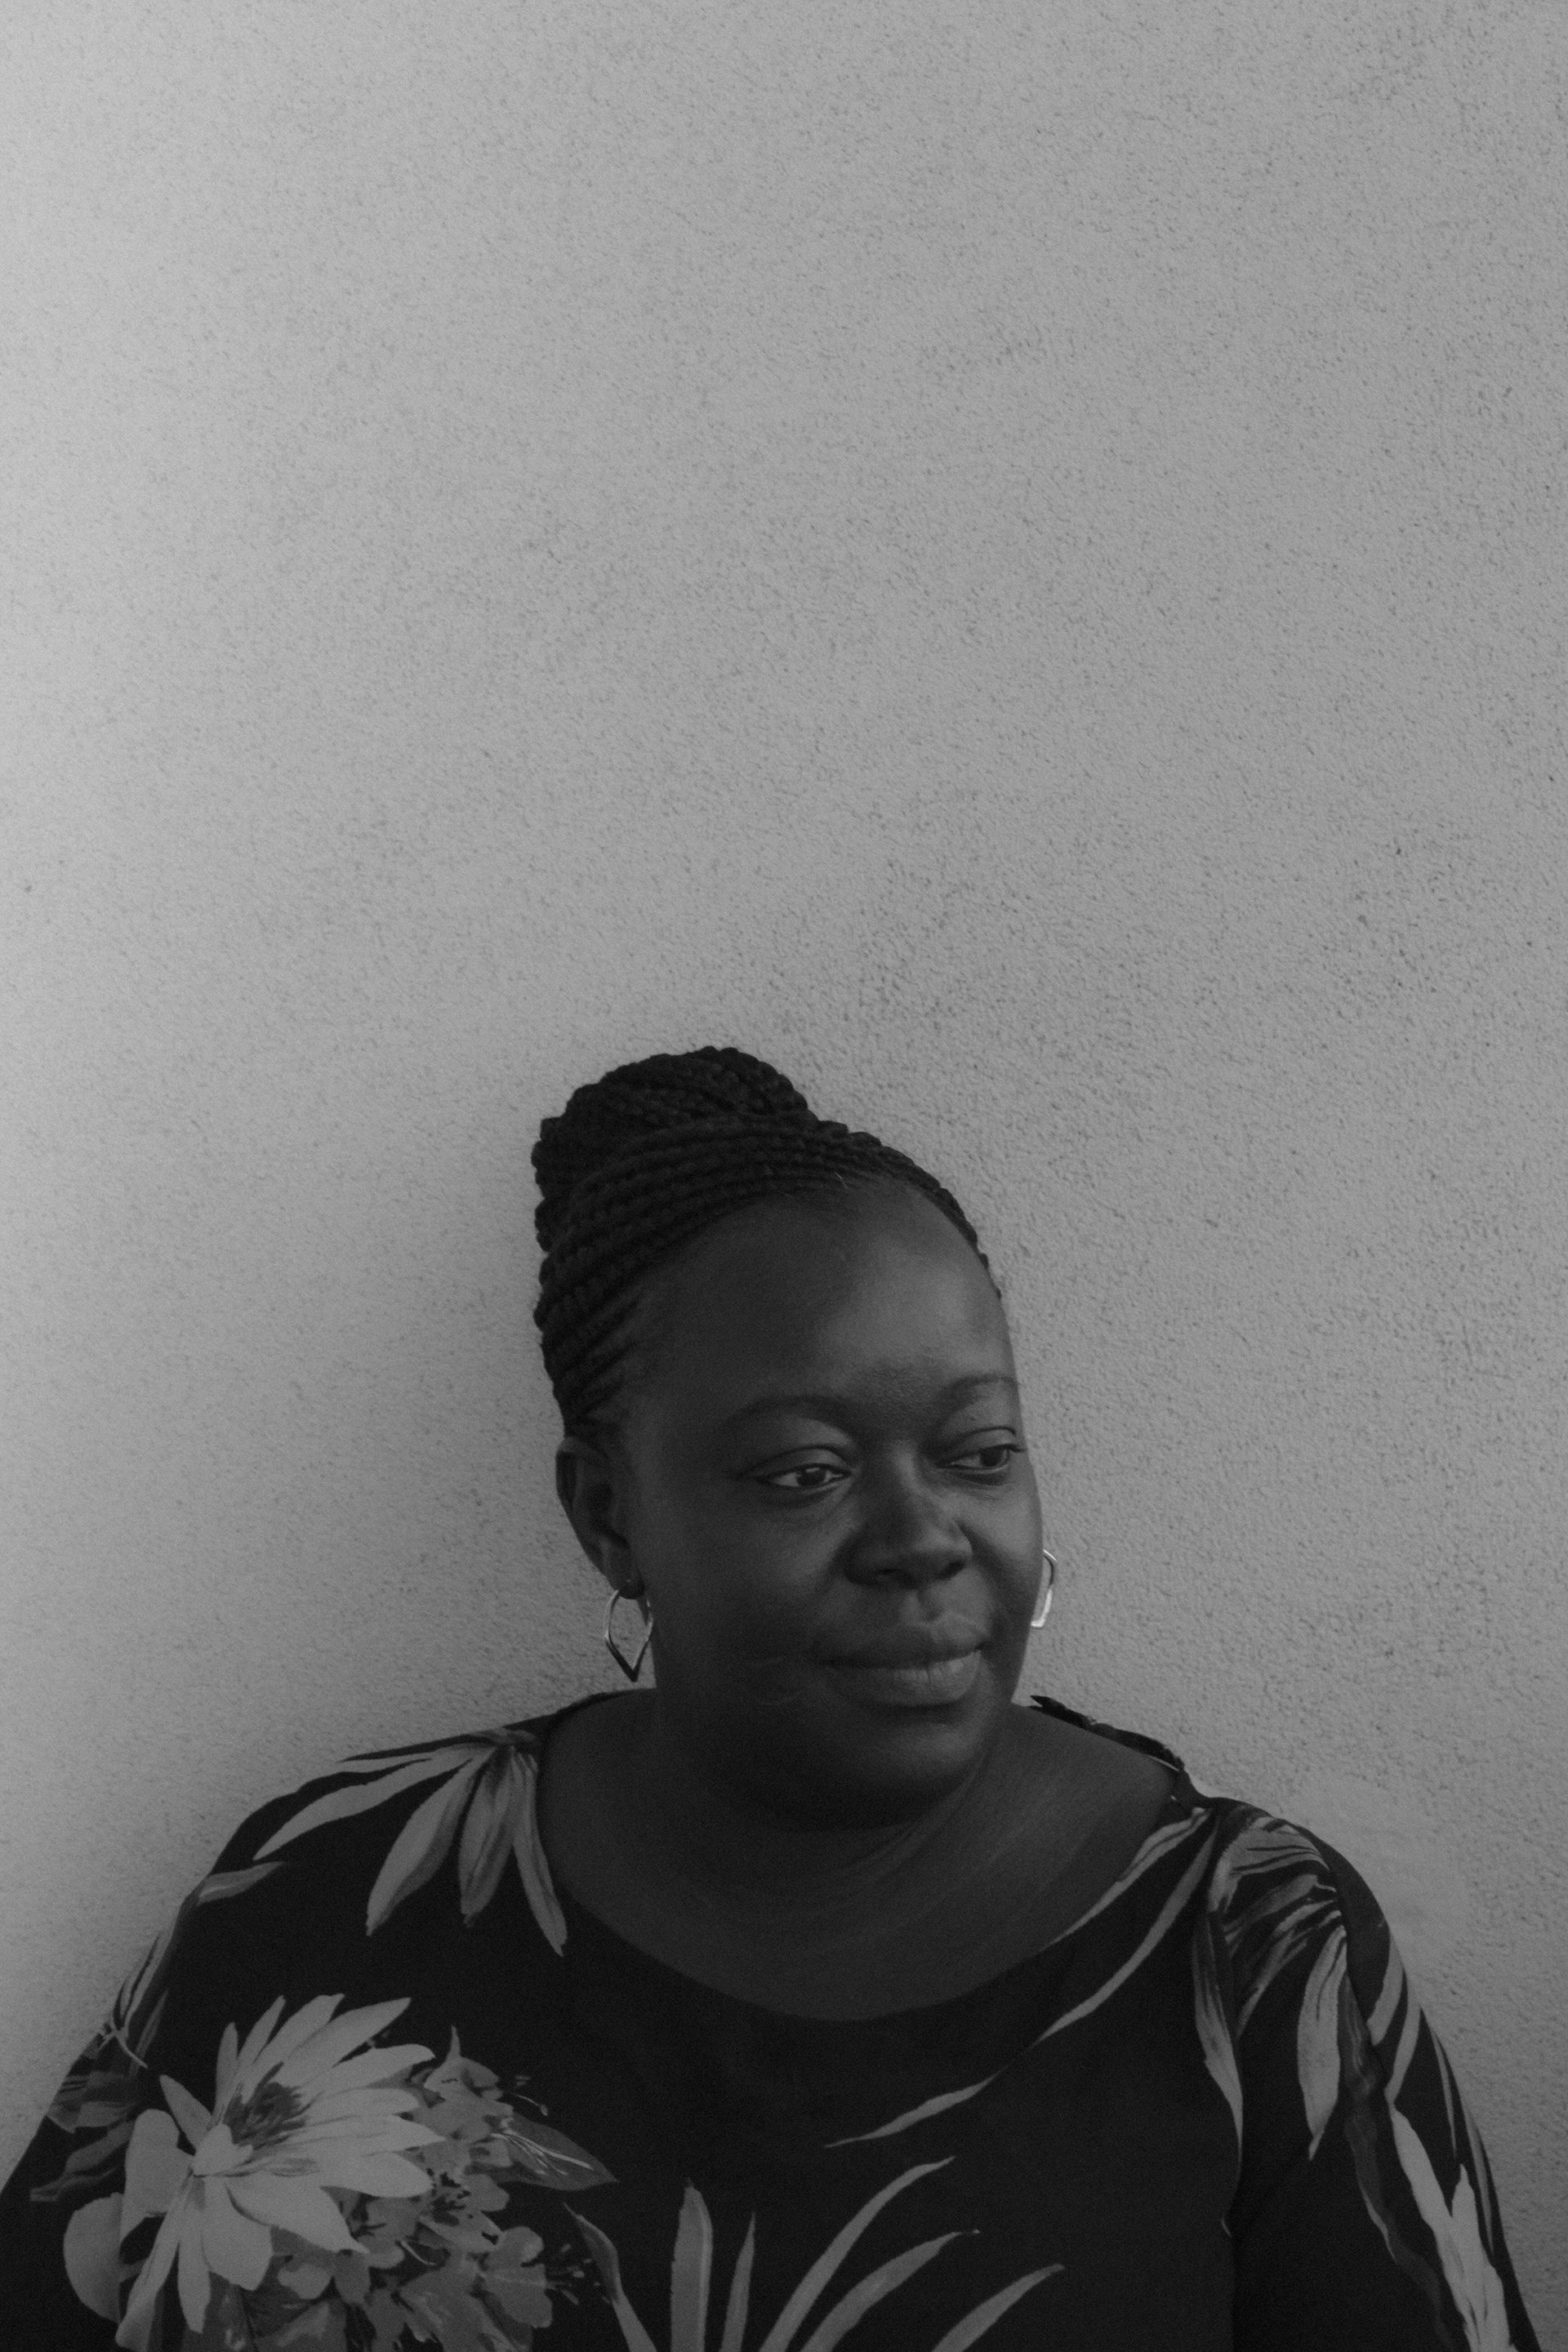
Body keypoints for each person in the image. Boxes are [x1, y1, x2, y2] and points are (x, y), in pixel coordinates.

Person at [0, 1045, 1541, 2350]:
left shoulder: (1254, 1954)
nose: (923, 1536)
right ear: (608, 1514)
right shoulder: (325, 1897)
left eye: (979, 1452)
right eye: (805, 1470)